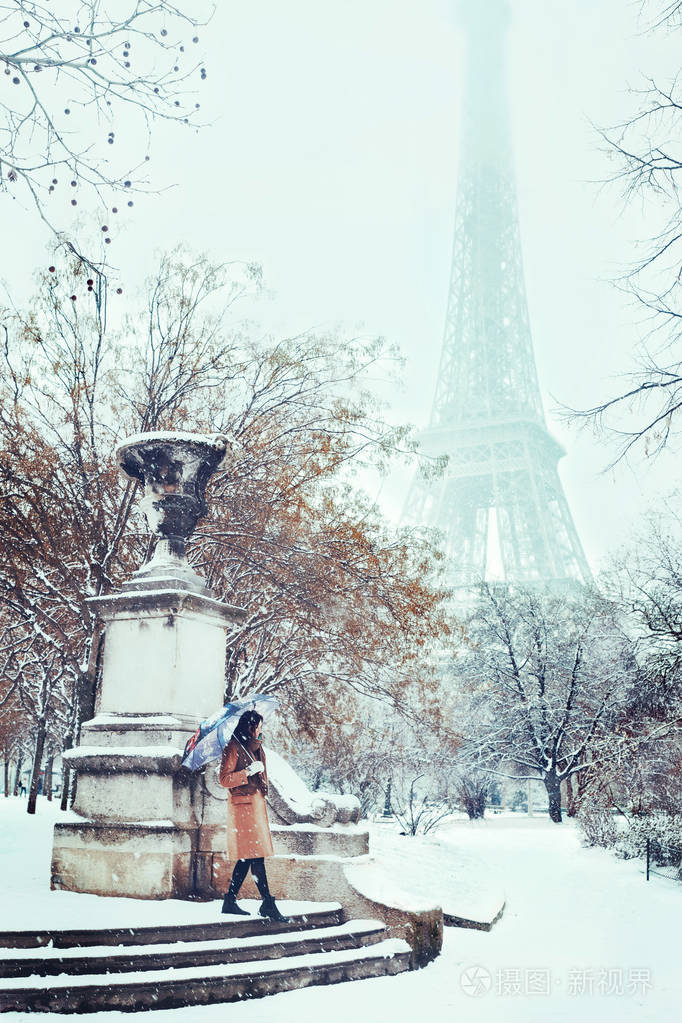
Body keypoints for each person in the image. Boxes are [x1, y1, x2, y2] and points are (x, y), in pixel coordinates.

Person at [218, 709, 286, 921]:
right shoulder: (233, 747)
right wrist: (246, 773)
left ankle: (230, 900)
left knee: (249, 856)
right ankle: (267, 903)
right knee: (255, 854)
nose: (260, 730)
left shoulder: (257, 748)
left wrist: (258, 771)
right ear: (249, 726)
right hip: (243, 808)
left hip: (256, 806)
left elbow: (262, 775)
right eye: (258, 726)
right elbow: (224, 779)